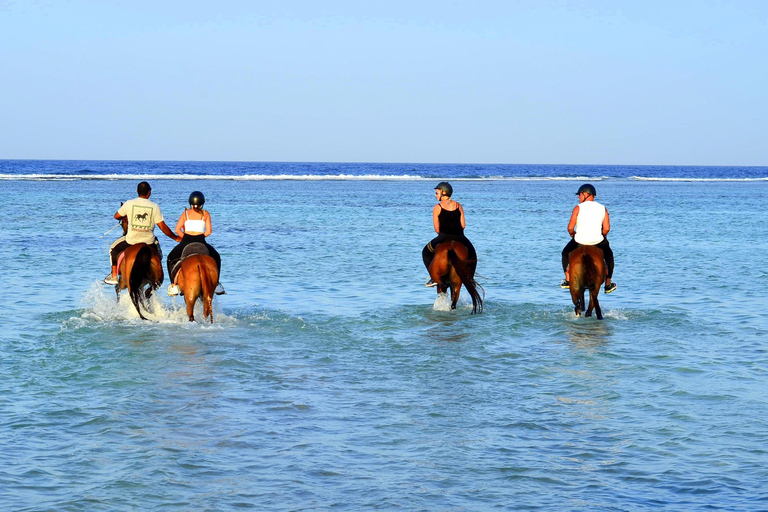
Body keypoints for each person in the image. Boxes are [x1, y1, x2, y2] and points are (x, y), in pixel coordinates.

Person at [105, 181, 180, 285]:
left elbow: (116, 216)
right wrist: (175, 238)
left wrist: (126, 214)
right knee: (159, 256)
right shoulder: (154, 206)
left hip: (131, 240)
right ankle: (158, 277)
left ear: (137, 191)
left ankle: (114, 276)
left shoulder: (129, 203)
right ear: (149, 193)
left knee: (113, 249)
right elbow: (162, 226)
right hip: (149, 242)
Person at [165, 191, 224, 296]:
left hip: (186, 241)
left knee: (170, 258)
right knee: (216, 257)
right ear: (202, 203)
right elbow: (209, 231)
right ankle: (217, 284)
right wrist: (200, 236)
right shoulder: (205, 214)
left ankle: (173, 286)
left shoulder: (185, 214)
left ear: (190, 202)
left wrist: (185, 237)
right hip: (201, 241)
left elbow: (177, 229)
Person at [560, 183, 616, 293]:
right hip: (598, 241)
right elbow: (607, 228)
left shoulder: (578, 208)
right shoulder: (602, 208)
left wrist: (573, 234)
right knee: (609, 257)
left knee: (565, 253)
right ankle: (608, 284)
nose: (578, 197)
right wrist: (602, 235)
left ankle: (567, 280)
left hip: (579, 240)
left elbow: (570, 227)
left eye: (580, 194)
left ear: (586, 194)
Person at [422, 181, 477, 287]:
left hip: (443, 237)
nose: (435, 195)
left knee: (425, 252)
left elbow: (437, 228)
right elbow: (463, 225)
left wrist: (443, 234)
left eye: (437, 193)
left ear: (443, 192)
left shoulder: (437, 207)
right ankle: (471, 278)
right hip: (460, 237)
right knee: (472, 254)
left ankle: (434, 278)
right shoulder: (458, 205)